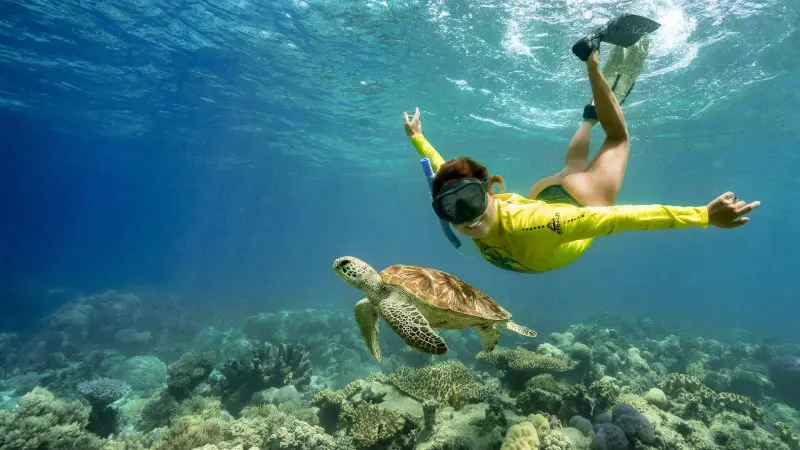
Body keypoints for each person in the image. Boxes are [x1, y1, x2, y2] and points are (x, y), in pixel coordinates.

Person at [402, 48, 760, 274]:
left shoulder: (540, 224)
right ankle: (589, 118)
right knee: (574, 168)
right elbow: (441, 169)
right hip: (548, 193)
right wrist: (418, 137)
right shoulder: (467, 208)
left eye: (469, 200)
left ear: (487, 192)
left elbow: (622, 218)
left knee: (617, 139)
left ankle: (593, 69)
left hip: (577, 201)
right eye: (451, 207)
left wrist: (702, 216)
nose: (465, 217)